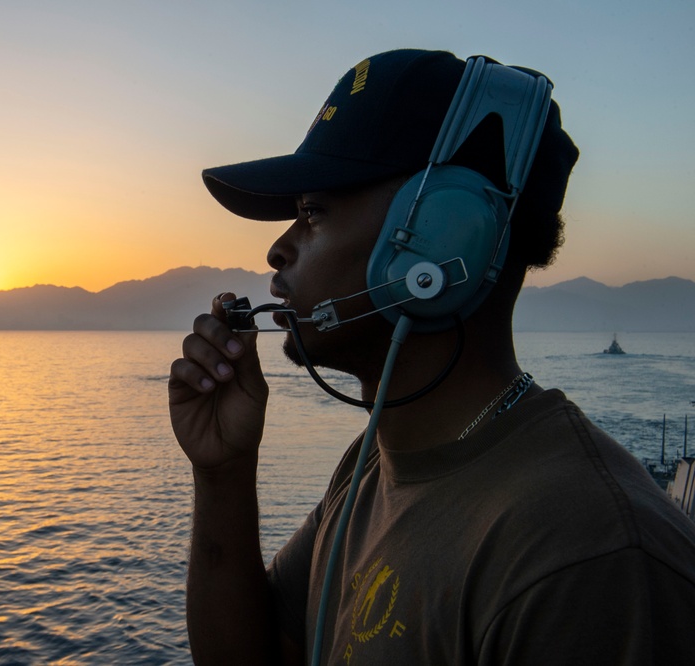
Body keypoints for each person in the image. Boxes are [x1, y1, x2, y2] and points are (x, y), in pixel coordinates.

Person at [168, 49, 695, 665]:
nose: (277, 250)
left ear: (444, 236)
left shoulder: (588, 559)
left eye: (313, 212)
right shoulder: (372, 468)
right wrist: (222, 473)